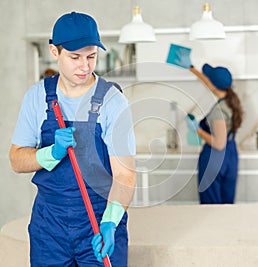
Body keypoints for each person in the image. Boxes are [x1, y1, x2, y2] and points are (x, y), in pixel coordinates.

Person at [9, 11, 136, 266]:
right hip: (50, 228)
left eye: (91, 56)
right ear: (55, 52)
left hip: (99, 221)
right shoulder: (36, 98)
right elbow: (16, 160)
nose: (85, 66)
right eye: (75, 57)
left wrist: (110, 221)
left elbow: (125, 175)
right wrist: (50, 153)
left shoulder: (113, 102)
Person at [174, 52, 243, 204]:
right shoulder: (230, 100)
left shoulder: (220, 111)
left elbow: (219, 144)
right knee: (226, 207)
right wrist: (191, 68)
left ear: (214, 85)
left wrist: (196, 129)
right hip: (231, 157)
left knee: (210, 208)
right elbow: (210, 82)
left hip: (215, 158)